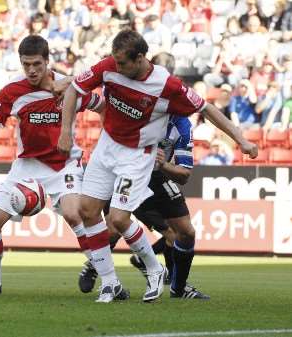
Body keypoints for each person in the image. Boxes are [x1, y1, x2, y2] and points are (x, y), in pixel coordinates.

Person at [58, 29, 258, 303]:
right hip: (107, 146)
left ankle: (154, 268)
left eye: (122, 63)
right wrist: (66, 131)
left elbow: (207, 110)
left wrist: (241, 139)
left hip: (138, 155)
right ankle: (110, 283)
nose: (115, 67)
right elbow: (74, 88)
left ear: (140, 58)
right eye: (114, 61)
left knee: (118, 220)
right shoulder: (109, 66)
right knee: (87, 211)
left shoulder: (168, 86)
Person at [0, 35, 106, 296]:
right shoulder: (11, 91)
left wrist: (112, 140)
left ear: (47, 61)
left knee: (76, 214)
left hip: (64, 165)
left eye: (37, 64)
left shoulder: (69, 87)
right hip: (27, 166)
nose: (31, 70)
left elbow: (102, 106)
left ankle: (107, 277)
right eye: (26, 64)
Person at [79, 52, 209, 300]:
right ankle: (98, 266)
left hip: (156, 177)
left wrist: (164, 166)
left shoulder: (182, 125)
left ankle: (175, 285)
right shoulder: (136, 102)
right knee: (114, 226)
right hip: (128, 170)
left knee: (182, 232)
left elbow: (184, 174)